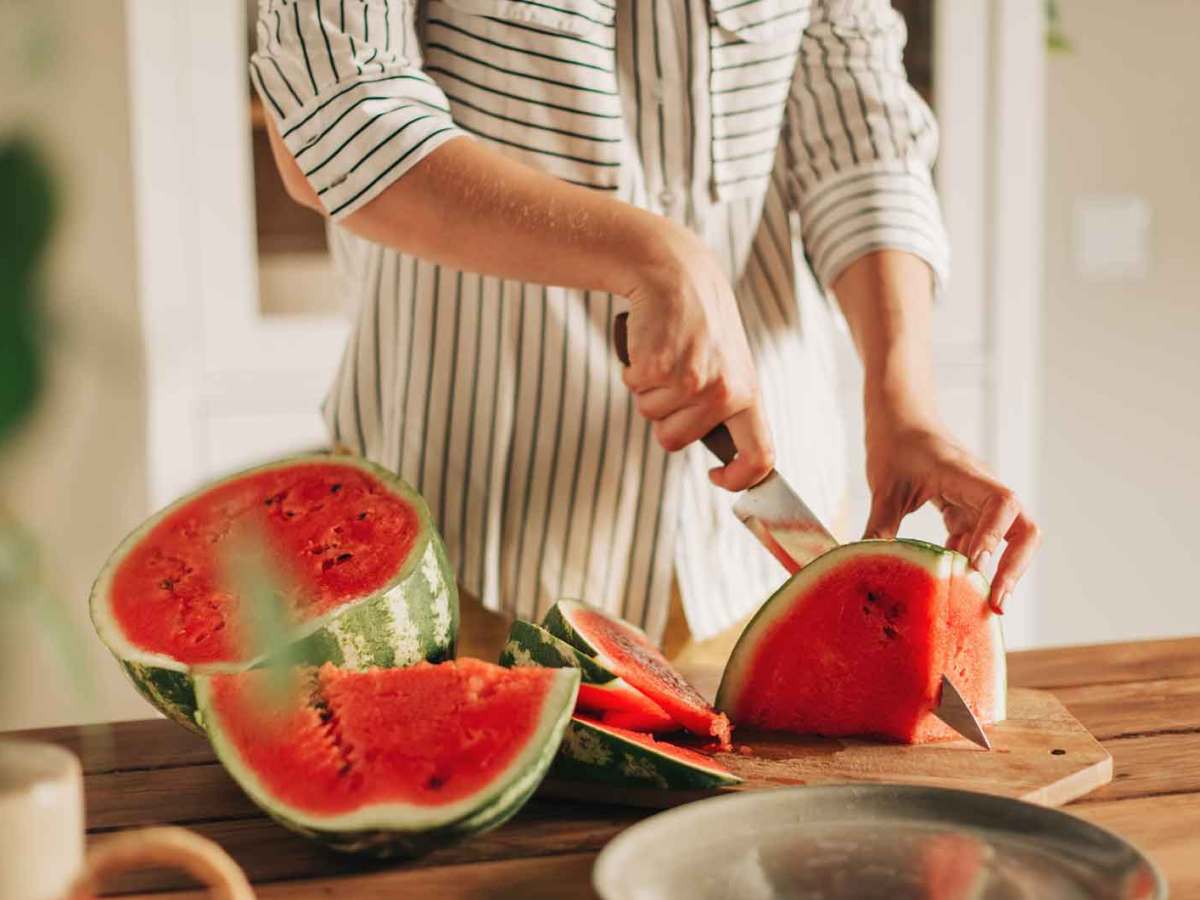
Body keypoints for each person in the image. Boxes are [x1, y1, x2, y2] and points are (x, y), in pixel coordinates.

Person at [250, 0, 1039, 661]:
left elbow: (856, 120)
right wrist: (657, 255)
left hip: (751, 564)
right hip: (456, 546)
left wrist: (903, 402)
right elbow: (332, 112)